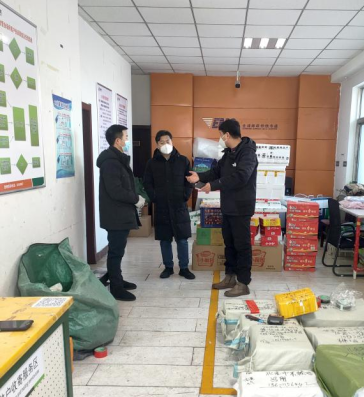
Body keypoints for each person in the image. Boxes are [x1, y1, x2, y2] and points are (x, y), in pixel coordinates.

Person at [186, 118, 257, 297]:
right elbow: (216, 171)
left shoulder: (247, 153)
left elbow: (241, 177)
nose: (220, 138)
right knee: (229, 244)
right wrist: (199, 177)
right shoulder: (229, 153)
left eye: (220, 135)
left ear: (227, 135)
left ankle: (243, 283)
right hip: (228, 206)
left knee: (242, 245)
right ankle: (230, 277)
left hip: (241, 207)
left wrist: (213, 185)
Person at [97, 124, 145, 302]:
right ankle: (116, 288)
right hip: (115, 215)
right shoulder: (110, 163)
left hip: (120, 213)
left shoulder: (117, 159)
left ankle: (116, 278)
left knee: (118, 250)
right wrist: (135, 199)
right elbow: (115, 190)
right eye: (126, 137)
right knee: (116, 252)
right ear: (118, 141)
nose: (127, 140)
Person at [143, 130, 195, 280]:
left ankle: (184, 268)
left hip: (179, 206)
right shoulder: (152, 163)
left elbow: (190, 181)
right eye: (162, 142)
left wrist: (185, 196)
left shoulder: (183, 161)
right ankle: (168, 267)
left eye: (168, 141)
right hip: (162, 207)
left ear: (172, 142)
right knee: (165, 240)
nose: (166, 144)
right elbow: (147, 182)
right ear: (157, 144)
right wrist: (154, 197)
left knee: (182, 239)